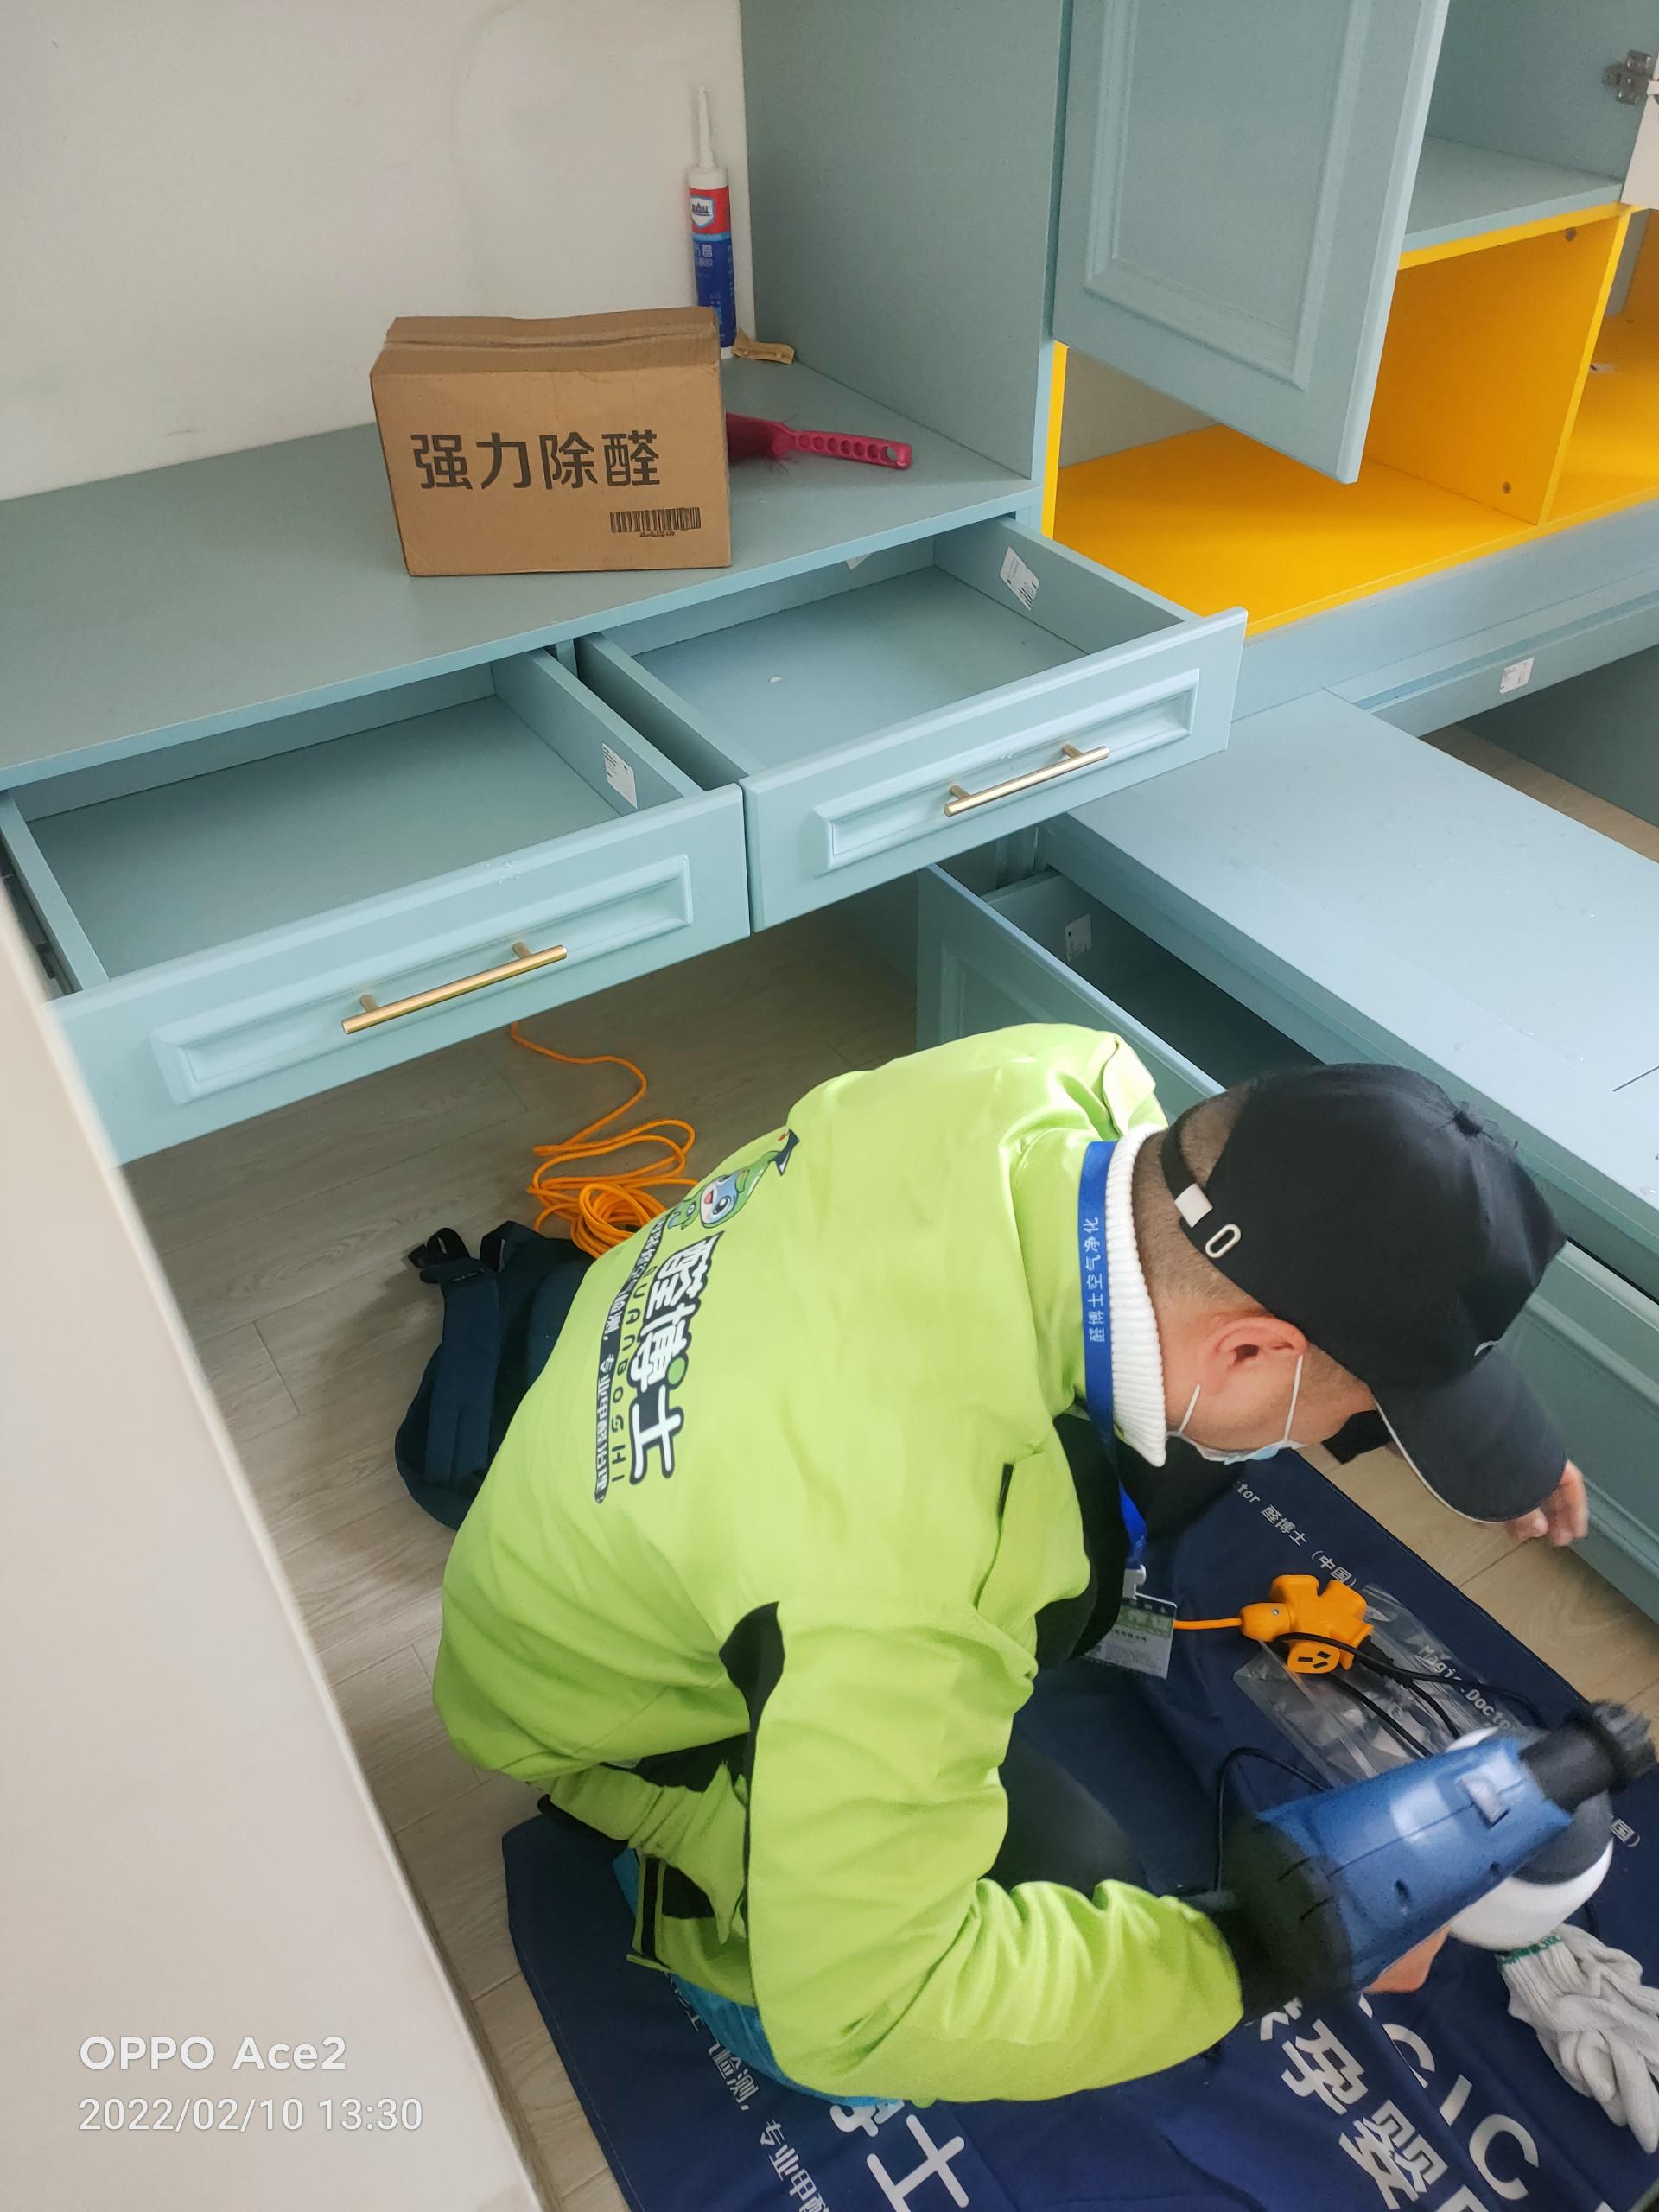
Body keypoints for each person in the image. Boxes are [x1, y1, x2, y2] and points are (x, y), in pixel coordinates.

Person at [434, 1027, 1588, 2105]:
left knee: (1167, 1458)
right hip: (598, 1706)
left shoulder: (1055, 1077)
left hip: (613, 1491)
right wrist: (1262, 1953)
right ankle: (693, 1903)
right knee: (1045, 1898)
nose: (1341, 1432)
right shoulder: (910, 1558)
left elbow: (1227, 1341)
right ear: (1251, 1349)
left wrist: (1481, 1445)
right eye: (1358, 1410)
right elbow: (871, 2013)